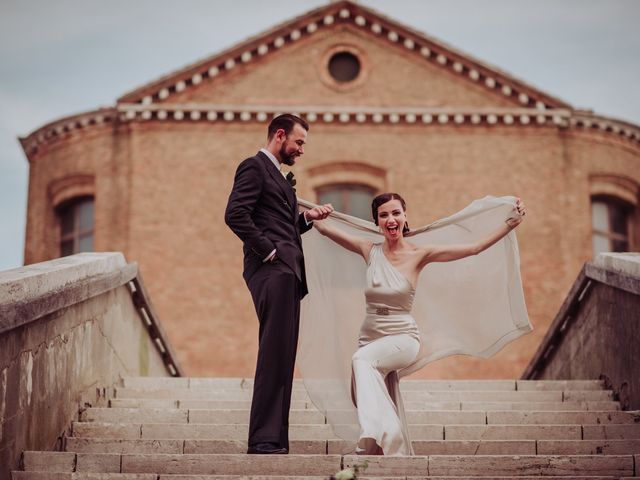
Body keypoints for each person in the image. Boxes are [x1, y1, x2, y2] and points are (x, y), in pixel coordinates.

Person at [311, 192, 526, 455]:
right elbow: (323, 229)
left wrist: (508, 224)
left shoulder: (420, 254)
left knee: (360, 361)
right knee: (366, 385)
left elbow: (474, 248)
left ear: (404, 216)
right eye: (384, 215)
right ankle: (381, 445)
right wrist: (310, 211)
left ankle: (384, 435)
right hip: (370, 337)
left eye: (395, 213)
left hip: (402, 338)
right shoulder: (369, 250)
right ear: (377, 221)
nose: (391, 219)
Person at [224, 114, 333, 455]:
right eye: (299, 142)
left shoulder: (279, 178)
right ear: (280, 135)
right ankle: (264, 439)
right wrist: (269, 251)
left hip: (287, 274)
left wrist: (306, 219)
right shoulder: (254, 166)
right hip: (273, 271)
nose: (301, 150)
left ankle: (274, 440)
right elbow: (235, 214)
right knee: (274, 355)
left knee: (283, 357)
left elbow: (277, 222)